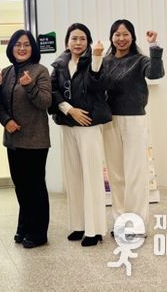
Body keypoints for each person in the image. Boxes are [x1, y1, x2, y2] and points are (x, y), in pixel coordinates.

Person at [49, 23, 111, 247]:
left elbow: (97, 84)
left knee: (92, 177)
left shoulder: (96, 61)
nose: (78, 42)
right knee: (73, 177)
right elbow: (53, 91)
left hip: (89, 125)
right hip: (68, 124)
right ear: (67, 41)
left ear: (89, 42)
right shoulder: (59, 64)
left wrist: (97, 58)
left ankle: (95, 229)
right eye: (74, 38)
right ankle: (79, 225)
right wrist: (69, 109)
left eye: (82, 39)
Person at [102, 19, 164, 235]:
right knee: (116, 175)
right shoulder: (105, 62)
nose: (121, 38)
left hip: (134, 120)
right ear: (111, 37)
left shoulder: (140, 60)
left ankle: (136, 223)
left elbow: (155, 73)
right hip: (110, 121)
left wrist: (154, 46)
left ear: (132, 37)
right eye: (117, 35)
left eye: (125, 34)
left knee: (136, 174)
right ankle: (120, 221)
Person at [0, 30, 52, 249]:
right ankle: (25, 224)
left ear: (32, 48)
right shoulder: (7, 72)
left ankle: (39, 232)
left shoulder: (40, 71)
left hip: (35, 139)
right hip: (13, 139)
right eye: (18, 44)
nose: (22, 48)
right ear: (11, 48)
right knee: (21, 186)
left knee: (35, 186)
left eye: (26, 44)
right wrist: (6, 120)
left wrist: (29, 86)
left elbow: (45, 102)